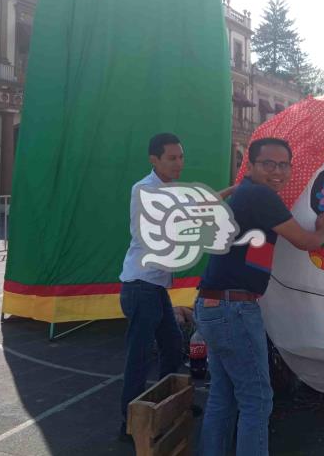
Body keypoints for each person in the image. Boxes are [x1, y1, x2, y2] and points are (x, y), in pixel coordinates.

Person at [196, 137, 324, 456]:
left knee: (224, 395)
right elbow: (305, 241)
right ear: (251, 165)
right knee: (257, 400)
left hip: (214, 304)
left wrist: (234, 190)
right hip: (234, 308)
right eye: (268, 164)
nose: (278, 171)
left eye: (284, 164)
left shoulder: (248, 194)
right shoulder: (260, 196)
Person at [118, 133, 188, 440]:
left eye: (181, 157)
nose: (179, 163)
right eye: (172, 158)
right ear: (154, 160)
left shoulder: (172, 190)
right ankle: (130, 423)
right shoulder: (145, 190)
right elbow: (148, 234)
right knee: (140, 356)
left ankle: (162, 406)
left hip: (155, 288)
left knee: (173, 348)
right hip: (140, 286)